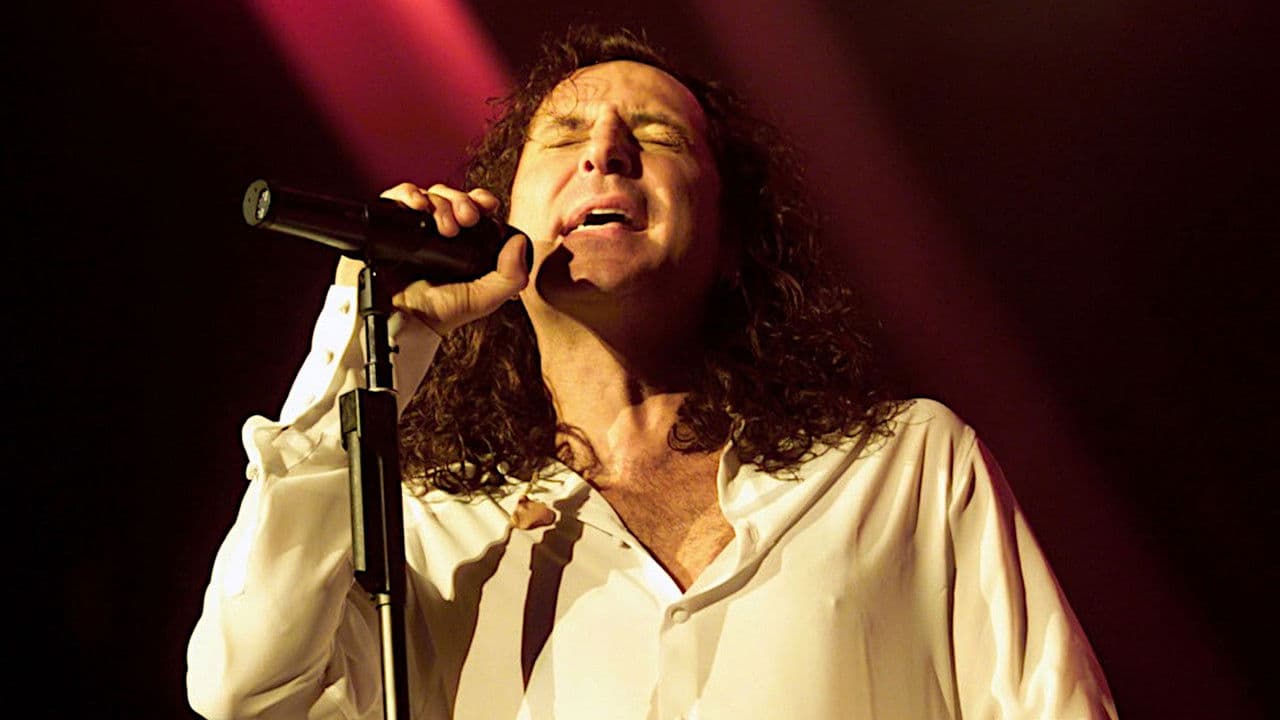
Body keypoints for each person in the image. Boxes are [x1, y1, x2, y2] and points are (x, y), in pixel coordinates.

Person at [188, 27, 1117, 720]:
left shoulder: (901, 467)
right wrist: (373, 336)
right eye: (564, 135)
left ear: (734, 239)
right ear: (504, 220)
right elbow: (243, 689)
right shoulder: (428, 532)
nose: (605, 150)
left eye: (658, 135)